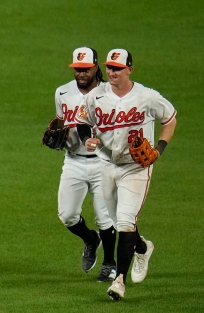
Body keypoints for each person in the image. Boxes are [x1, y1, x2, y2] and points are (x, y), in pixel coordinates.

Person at [76, 49, 177, 300]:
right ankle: (142, 248)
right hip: (107, 165)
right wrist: (87, 139)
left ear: (129, 69)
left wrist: (159, 149)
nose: (112, 72)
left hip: (136, 168)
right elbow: (82, 120)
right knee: (118, 220)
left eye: (118, 68)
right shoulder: (97, 95)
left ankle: (119, 281)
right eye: (109, 67)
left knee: (123, 221)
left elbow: (170, 119)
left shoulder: (147, 96)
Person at [52, 47, 117, 282]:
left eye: (85, 69)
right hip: (73, 162)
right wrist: (56, 136)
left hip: (103, 163)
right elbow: (61, 123)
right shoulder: (62, 93)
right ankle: (91, 239)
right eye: (77, 69)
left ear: (96, 67)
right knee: (67, 215)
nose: (81, 73)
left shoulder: (110, 93)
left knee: (105, 218)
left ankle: (110, 264)